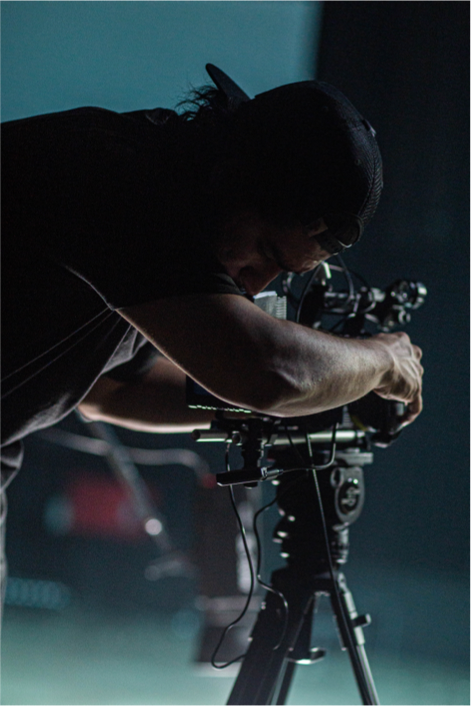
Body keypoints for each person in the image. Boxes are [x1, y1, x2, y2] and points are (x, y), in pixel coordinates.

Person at [0, 64, 423, 623]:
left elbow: (113, 391)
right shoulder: (124, 183)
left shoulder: (166, 239)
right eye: (266, 252)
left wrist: (311, 399)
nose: (254, 286)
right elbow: (266, 370)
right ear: (237, 175)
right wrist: (382, 360)